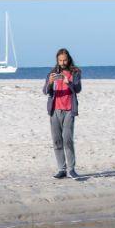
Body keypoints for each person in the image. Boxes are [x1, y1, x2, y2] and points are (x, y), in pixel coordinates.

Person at [43, 48, 82, 179]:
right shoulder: (52, 73)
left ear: (68, 59)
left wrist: (68, 82)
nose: (63, 62)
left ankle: (71, 169)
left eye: (65, 60)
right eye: (60, 60)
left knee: (67, 139)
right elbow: (45, 91)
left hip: (69, 110)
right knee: (57, 141)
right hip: (54, 111)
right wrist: (50, 83)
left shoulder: (75, 72)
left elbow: (78, 89)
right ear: (57, 60)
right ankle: (62, 169)